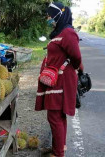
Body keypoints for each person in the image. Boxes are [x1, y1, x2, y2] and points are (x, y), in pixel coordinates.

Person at [35, 2, 83, 157]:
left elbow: (76, 57)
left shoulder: (68, 32)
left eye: (50, 15)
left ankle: (58, 154)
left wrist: (70, 68)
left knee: (54, 116)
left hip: (62, 80)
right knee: (58, 116)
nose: (48, 18)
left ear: (58, 14)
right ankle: (59, 147)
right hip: (56, 80)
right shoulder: (59, 32)